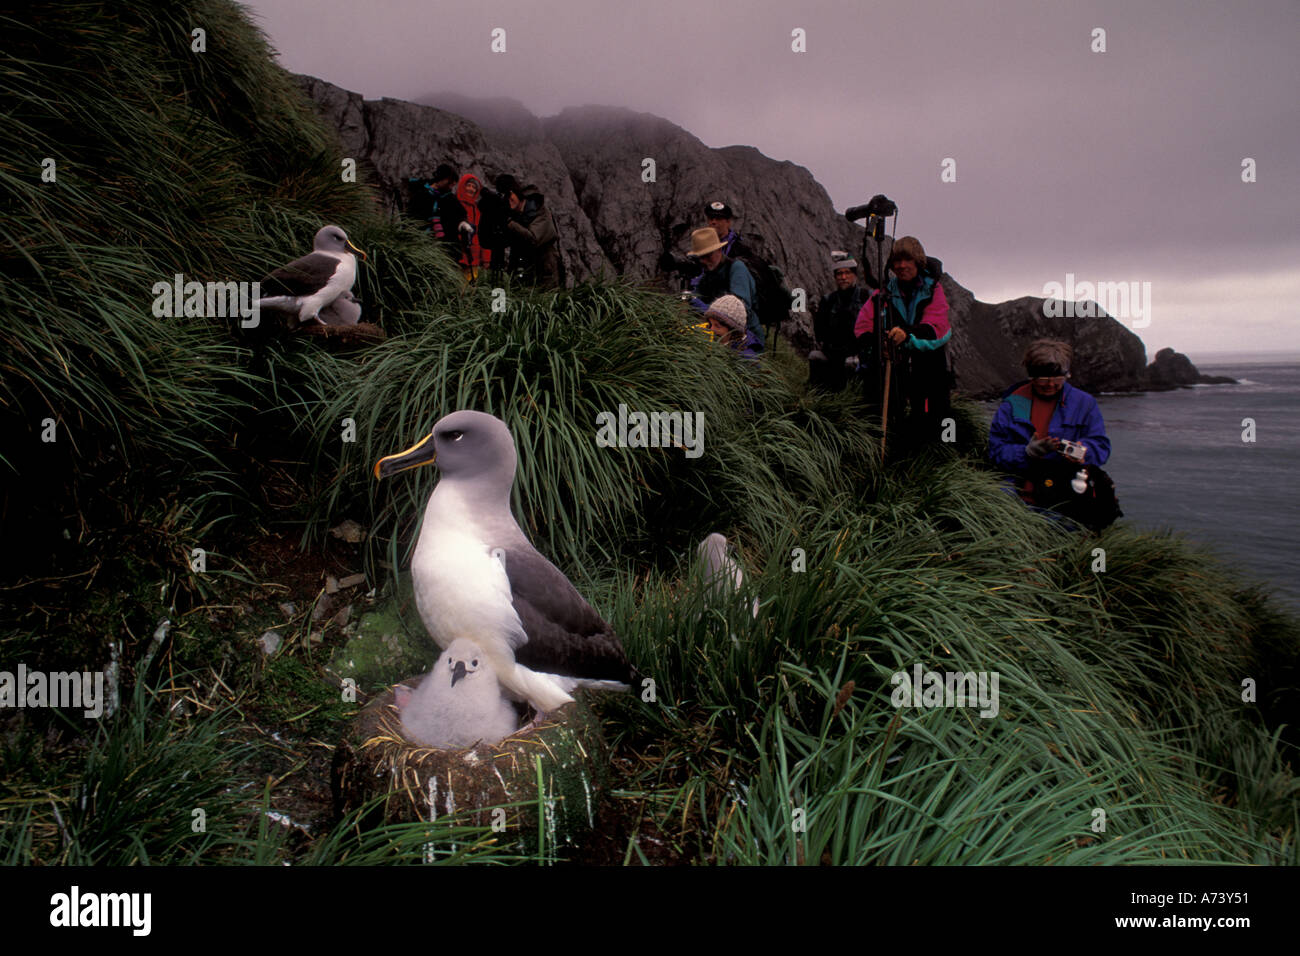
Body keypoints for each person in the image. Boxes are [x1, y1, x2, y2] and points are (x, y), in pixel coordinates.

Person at [988, 340, 1120, 529]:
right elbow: (996, 452)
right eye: (1043, 378)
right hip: (1019, 486)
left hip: (1065, 486)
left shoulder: (1084, 403)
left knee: (1065, 529)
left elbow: (1101, 447)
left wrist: (1082, 451)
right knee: (997, 517)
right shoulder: (1012, 405)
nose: (1050, 384)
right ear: (1031, 375)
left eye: (1057, 378)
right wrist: (1027, 452)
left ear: (1067, 374)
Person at [853, 236, 952, 436]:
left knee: (934, 420)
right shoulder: (883, 293)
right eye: (897, 261)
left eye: (908, 260)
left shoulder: (933, 290)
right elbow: (862, 326)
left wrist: (907, 335)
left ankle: (939, 454)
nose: (902, 266)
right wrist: (879, 343)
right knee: (892, 420)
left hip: (929, 368)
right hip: (896, 368)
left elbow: (938, 329)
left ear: (918, 262)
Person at [685, 228, 764, 351]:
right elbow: (698, 294)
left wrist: (702, 307)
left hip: (745, 339)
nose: (704, 261)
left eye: (708, 256)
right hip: (721, 333)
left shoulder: (737, 269)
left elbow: (740, 308)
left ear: (719, 250)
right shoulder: (709, 273)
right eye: (701, 257)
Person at [809, 251, 870, 391]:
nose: (843, 277)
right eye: (839, 273)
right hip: (833, 353)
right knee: (814, 357)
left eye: (847, 273)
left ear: (854, 275)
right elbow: (820, 331)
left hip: (859, 354)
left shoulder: (866, 297)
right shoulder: (828, 300)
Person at [502, 181, 562, 289]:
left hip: (545, 267)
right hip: (524, 268)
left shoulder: (540, 210)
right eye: (505, 196)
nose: (508, 199)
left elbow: (533, 239)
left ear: (518, 193)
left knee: (545, 301)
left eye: (510, 194)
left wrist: (510, 223)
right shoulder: (515, 215)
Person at [453, 173, 490, 280]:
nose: (471, 189)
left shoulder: (477, 211)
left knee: (470, 289)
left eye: (474, 187)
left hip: (473, 258)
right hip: (456, 256)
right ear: (462, 186)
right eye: (468, 185)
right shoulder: (454, 204)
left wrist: (486, 258)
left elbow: (482, 234)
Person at [701, 294, 760, 359]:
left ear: (733, 330)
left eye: (717, 326)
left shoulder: (746, 359)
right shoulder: (712, 343)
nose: (711, 329)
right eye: (711, 324)